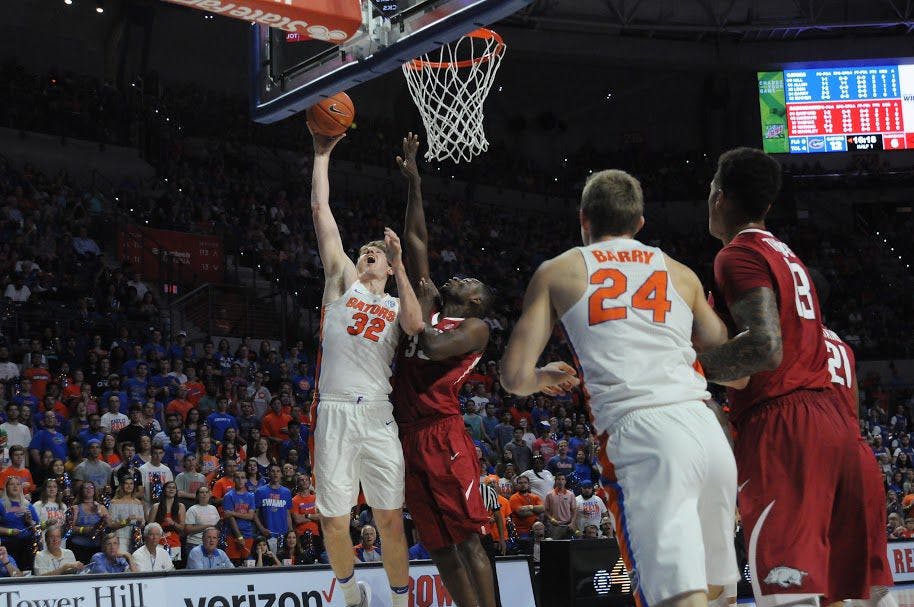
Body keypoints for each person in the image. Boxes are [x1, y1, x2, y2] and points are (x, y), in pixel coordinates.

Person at [500, 169, 744, 607]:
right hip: (707, 431)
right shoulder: (682, 274)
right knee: (716, 596)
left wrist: (544, 377)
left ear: (583, 220)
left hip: (644, 437)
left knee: (675, 597)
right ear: (640, 224)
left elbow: (514, 377)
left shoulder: (560, 271)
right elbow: (729, 363)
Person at [697, 148, 875, 607]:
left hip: (785, 425)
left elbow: (764, 347)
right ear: (768, 207)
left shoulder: (737, 255)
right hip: (831, 424)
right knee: (830, 593)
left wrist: (691, 368)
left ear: (719, 198)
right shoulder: (787, 253)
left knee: (787, 589)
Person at [307, 124, 424, 607]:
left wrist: (401, 264)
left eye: (375, 252)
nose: (367, 251)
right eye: (365, 251)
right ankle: (353, 595)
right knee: (334, 521)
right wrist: (322, 154)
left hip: (377, 413)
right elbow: (321, 212)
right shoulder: (342, 283)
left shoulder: (398, 305)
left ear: (389, 268)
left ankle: (399, 600)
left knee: (389, 518)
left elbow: (416, 326)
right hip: (334, 409)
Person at [390, 133, 498, 607]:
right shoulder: (428, 303)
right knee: (438, 546)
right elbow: (416, 240)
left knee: (468, 538)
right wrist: (415, 182)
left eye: (471, 281)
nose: (461, 275)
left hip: (443, 433)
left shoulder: (475, 327)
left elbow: (431, 348)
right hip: (407, 436)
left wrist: (415, 321)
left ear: (475, 299)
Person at [254, 464, 292, 553]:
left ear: (281, 474)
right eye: (273, 471)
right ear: (269, 474)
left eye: (278, 471)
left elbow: (288, 514)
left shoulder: (286, 492)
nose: (275, 474)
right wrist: (261, 528)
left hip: (283, 534)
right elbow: (255, 514)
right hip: (266, 534)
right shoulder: (260, 491)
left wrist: (290, 531)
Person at [222, 469, 256, 563]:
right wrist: (239, 537)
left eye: (243, 478)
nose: (240, 480)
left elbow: (250, 516)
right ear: (233, 479)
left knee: (248, 563)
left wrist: (233, 513)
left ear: (246, 480)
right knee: (234, 563)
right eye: (237, 478)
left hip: (248, 534)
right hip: (233, 535)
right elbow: (231, 519)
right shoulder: (228, 496)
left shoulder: (250, 496)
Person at [184, 485, 220, 553]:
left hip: (211, 544)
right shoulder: (192, 509)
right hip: (195, 543)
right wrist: (207, 526)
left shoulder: (213, 508)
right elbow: (188, 529)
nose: (204, 494)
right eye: (202, 492)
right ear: (197, 496)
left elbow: (217, 525)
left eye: (206, 492)